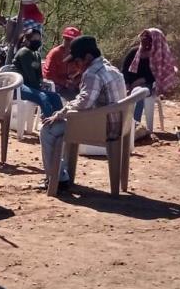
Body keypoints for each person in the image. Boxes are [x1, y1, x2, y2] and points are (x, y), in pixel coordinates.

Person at [40, 36, 127, 191]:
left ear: (88, 57)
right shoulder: (111, 69)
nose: (75, 65)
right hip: (118, 124)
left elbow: (84, 102)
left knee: (48, 130)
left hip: (101, 128)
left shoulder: (92, 73)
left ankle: (57, 179)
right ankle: (62, 174)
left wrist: (60, 113)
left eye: (77, 61)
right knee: (62, 126)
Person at [122, 28, 177, 124]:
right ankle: (122, 125)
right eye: (143, 36)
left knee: (139, 93)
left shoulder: (159, 55)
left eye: (147, 37)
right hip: (129, 84)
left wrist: (141, 81)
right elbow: (125, 70)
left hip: (148, 84)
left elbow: (158, 75)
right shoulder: (134, 52)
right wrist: (127, 83)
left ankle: (135, 125)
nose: (143, 39)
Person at [13, 28, 64, 118]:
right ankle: (50, 124)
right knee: (42, 96)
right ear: (27, 40)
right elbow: (30, 76)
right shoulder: (24, 52)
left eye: (39, 39)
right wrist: (39, 88)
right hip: (19, 87)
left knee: (55, 96)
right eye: (35, 39)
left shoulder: (36, 54)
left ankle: (59, 120)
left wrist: (41, 84)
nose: (37, 41)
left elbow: (39, 75)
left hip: (31, 87)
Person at [43, 26, 82, 100]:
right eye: (67, 39)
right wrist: (65, 83)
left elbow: (82, 71)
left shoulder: (78, 54)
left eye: (72, 40)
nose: (69, 42)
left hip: (73, 85)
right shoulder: (55, 53)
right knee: (76, 98)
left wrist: (76, 81)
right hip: (56, 86)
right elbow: (48, 76)